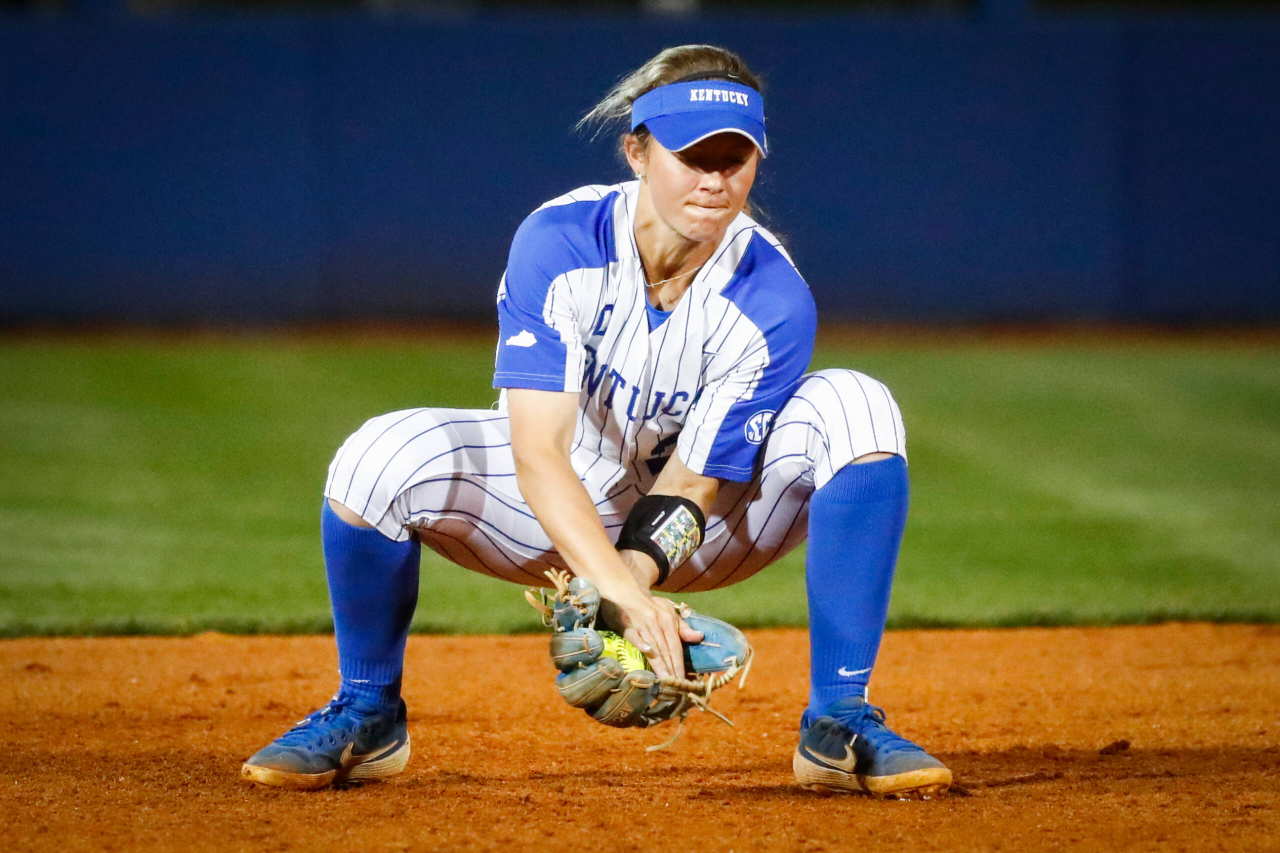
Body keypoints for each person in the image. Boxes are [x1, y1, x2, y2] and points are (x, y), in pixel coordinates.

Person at [241, 44, 951, 798]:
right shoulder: (563, 240)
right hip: (546, 510)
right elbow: (539, 453)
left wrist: (634, 585)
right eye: (692, 155)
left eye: (735, 158)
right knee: (378, 454)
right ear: (638, 152)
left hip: (702, 530)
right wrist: (615, 589)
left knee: (857, 404)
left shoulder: (771, 294)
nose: (714, 179)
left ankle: (839, 720)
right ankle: (367, 709)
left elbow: (694, 482)